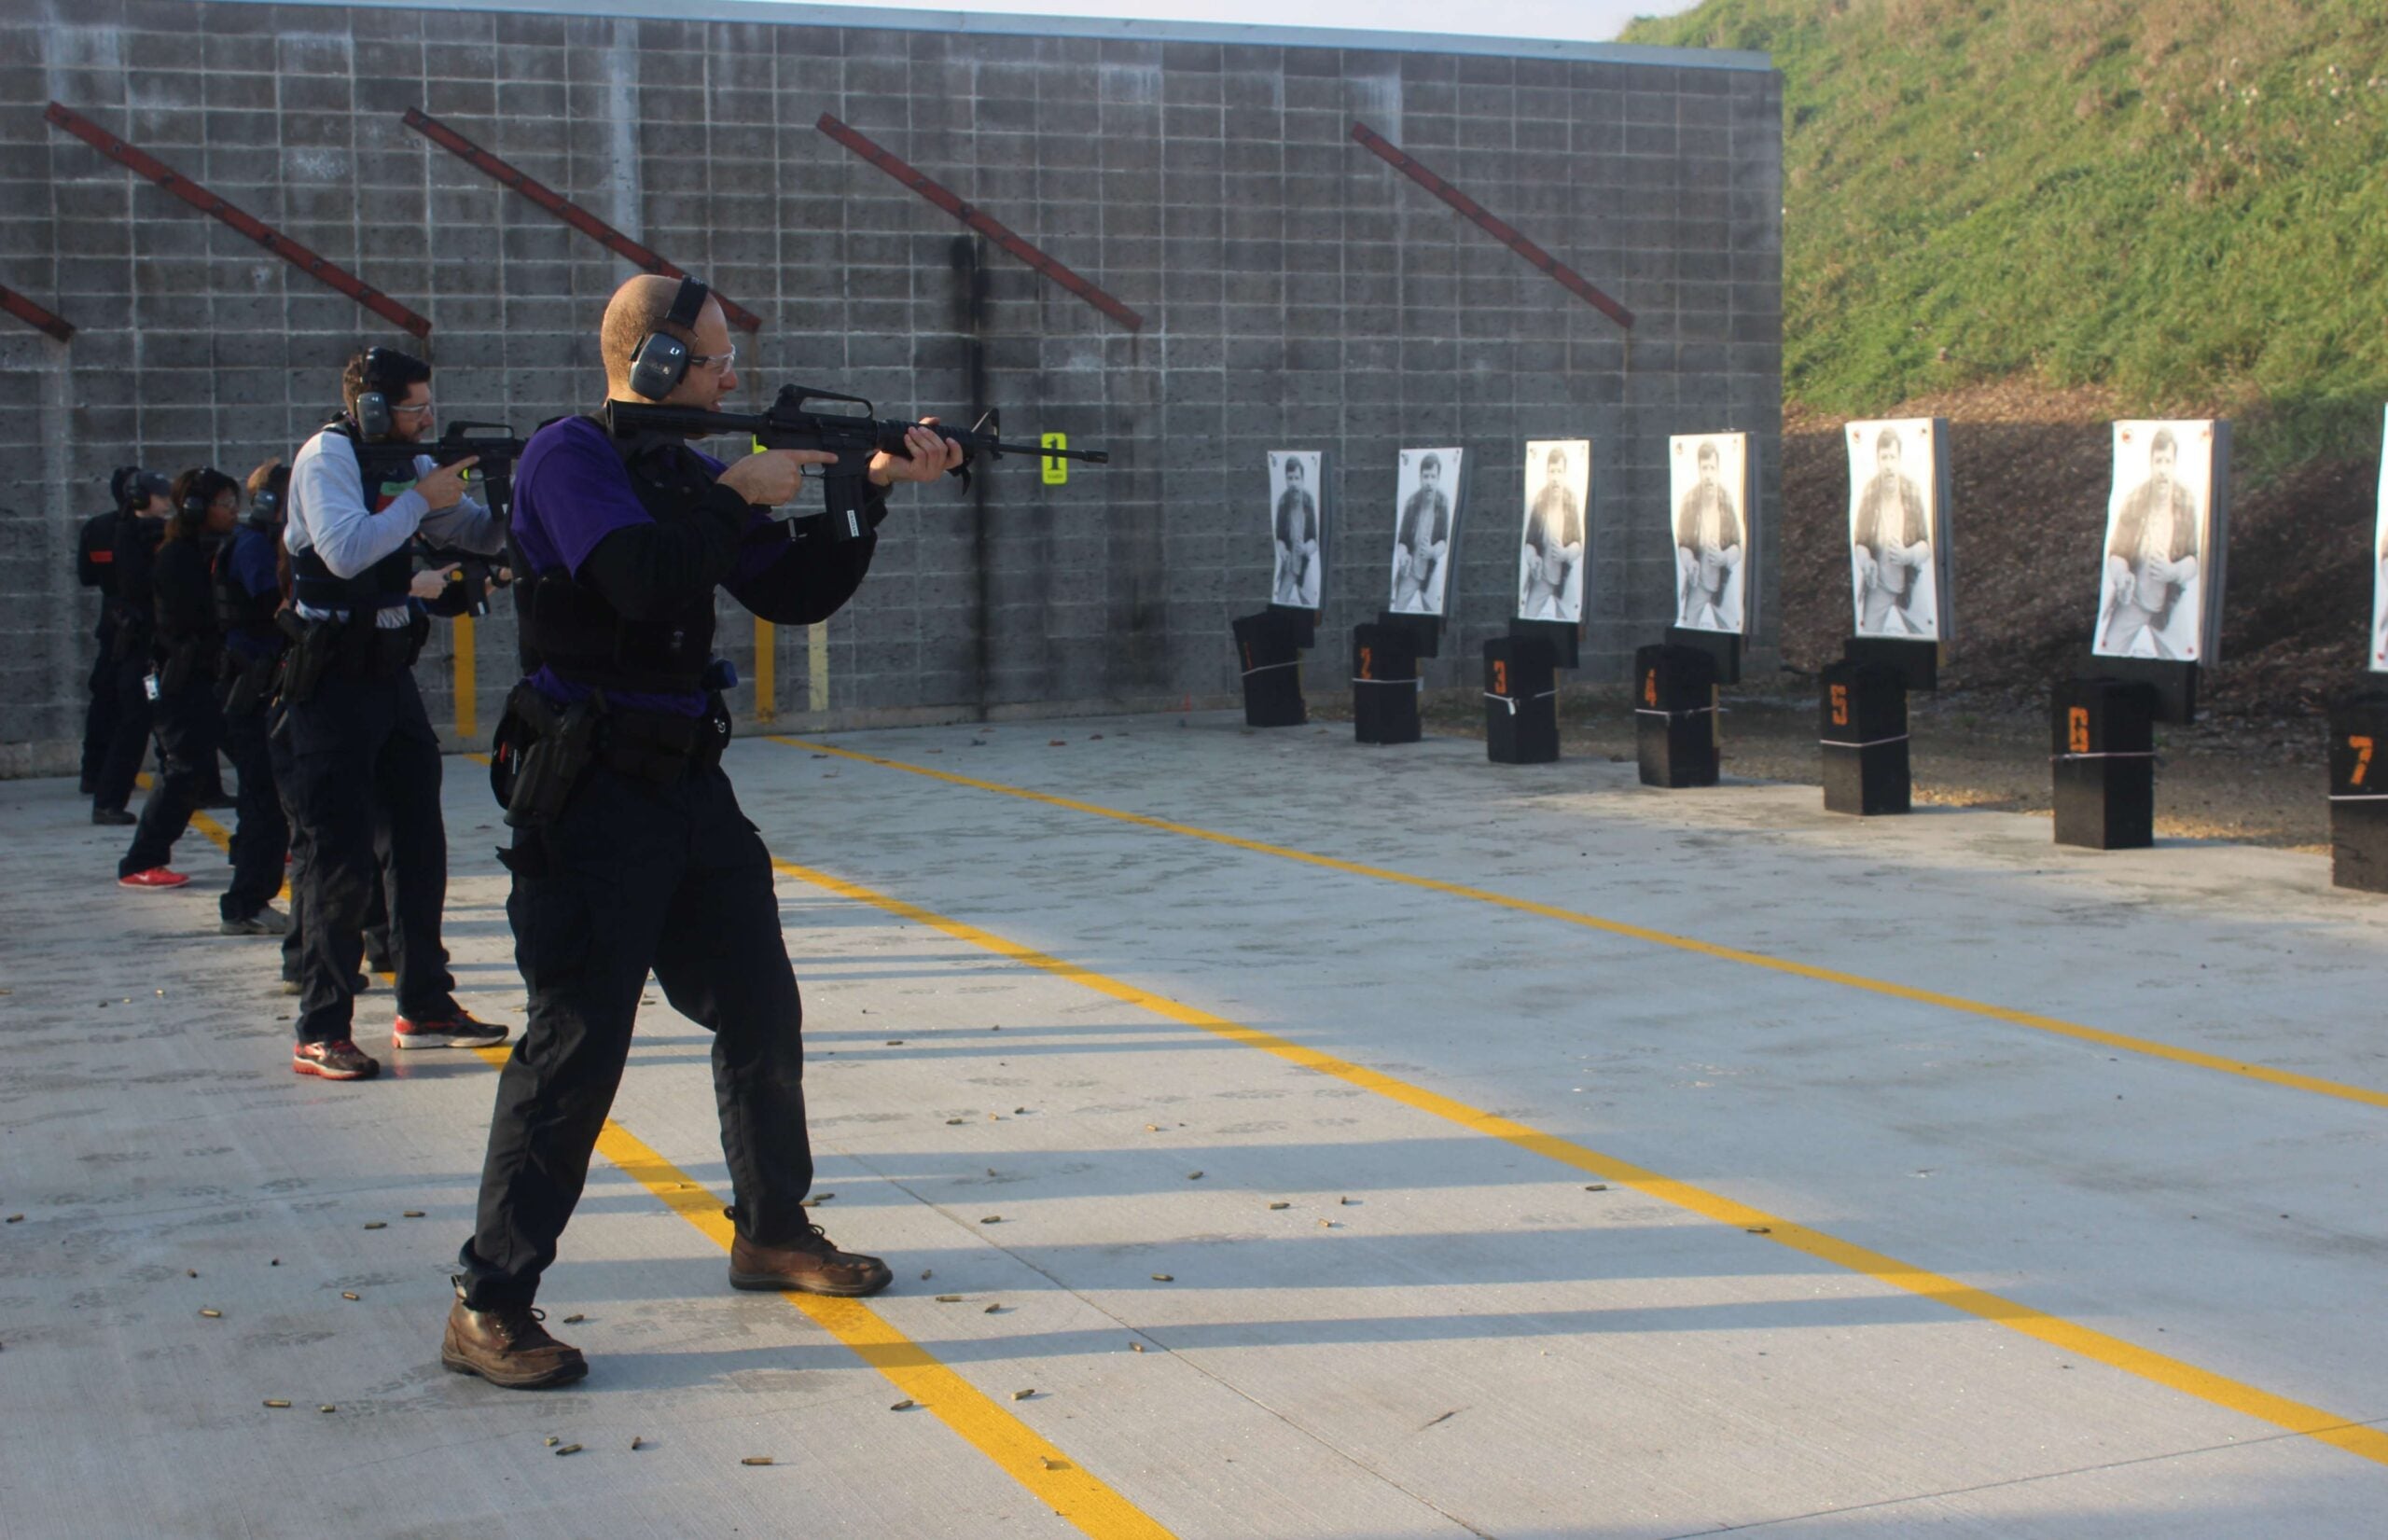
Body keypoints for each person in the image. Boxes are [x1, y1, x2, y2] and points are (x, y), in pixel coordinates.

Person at [442, 273, 962, 1389]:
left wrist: (867, 491)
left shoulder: (684, 470)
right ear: (658, 364)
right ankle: (489, 1300)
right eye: (718, 360)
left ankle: (772, 1228)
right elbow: (636, 578)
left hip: (688, 786)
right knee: (575, 1045)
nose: (735, 378)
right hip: (588, 795)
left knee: (760, 1004)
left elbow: (794, 594)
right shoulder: (567, 458)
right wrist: (734, 495)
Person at [280, 346, 509, 1081]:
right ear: (372, 408)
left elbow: (466, 529)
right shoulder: (329, 456)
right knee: (337, 858)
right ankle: (322, 1026)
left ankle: (425, 1003)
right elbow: (346, 551)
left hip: (388, 675)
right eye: (414, 409)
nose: (426, 419)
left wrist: (515, 509)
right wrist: (421, 498)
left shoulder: (403, 459)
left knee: (417, 844)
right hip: (331, 680)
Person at [117, 468, 239, 889]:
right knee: (182, 769)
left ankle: (259, 844)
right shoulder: (178, 556)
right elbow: (189, 623)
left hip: (207, 677)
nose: (232, 512)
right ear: (198, 507)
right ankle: (141, 860)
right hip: (183, 679)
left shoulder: (204, 550)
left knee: (258, 760)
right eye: (224, 504)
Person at [212, 462, 293, 936]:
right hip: (253, 685)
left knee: (264, 801)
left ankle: (247, 897)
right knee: (264, 801)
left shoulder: (257, 544)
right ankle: (245, 900)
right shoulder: (253, 547)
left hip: (260, 683)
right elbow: (273, 607)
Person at [88, 469, 172, 825]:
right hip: (139, 643)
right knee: (134, 721)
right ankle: (108, 800)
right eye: (158, 494)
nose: (166, 499)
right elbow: (140, 585)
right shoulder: (130, 534)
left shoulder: (154, 533)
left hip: (153, 642)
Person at [2098, 427, 2201, 659]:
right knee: (2108, 651)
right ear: (2151, 463)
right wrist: (2122, 576)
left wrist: (2173, 571)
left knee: (2182, 660)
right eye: (2158, 462)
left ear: (2175, 463)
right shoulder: (2135, 499)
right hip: (2133, 600)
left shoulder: (2186, 502)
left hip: (2169, 603)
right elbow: (2117, 552)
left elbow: (2194, 559)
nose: (2163, 470)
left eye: (2168, 461)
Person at [1851, 427, 1932, 637]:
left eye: (1892, 457)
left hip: (1909, 582)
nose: (1888, 465)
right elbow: (1860, 542)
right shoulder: (1870, 491)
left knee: (1927, 634)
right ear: (1877, 460)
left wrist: (1909, 555)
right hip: (1879, 584)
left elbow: (1925, 546)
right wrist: (1867, 562)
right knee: (1868, 635)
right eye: (1883, 458)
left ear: (1900, 459)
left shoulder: (1911, 490)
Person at [1673, 439, 1743, 631]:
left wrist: (1724, 557)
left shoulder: (1726, 499)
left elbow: (1738, 545)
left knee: (1731, 630)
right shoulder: (1689, 501)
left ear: (1718, 470)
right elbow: (1683, 544)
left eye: (1712, 468)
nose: (1708, 475)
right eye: (1704, 468)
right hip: (1699, 583)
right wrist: (1690, 563)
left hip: (1722, 582)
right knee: (1686, 630)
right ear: (1698, 470)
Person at [1518, 445, 1583, 621]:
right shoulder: (1539, 500)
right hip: (1542, 576)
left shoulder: (1571, 500)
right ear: (1547, 474)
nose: (1555, 478)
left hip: (1564, 577)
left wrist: (1566, 553)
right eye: (1552, 472)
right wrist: (1533, 560)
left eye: (1559, 472)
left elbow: (1578, 544)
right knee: (1528, 618)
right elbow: (1529, 542)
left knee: (1568, 623)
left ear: (1565, 474)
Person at [1392, 452, 1451, 613]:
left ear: (1438, 478)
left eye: (1433, 476)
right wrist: (1403, 556)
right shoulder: (1411, 503)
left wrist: (1433, 551)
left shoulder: (1443, 503)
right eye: (1426, 476)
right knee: (1396, 613)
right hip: (1409, 572)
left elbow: (1444, 541)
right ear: (1420, 477)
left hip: (1429, 573)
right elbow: (1402, 541)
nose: (1429, 482)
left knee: (1436, 618)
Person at [1271, 456, 1319, 607]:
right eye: (1290, 478)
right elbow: (1279, 538)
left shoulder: (1308, 501)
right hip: (1288, 565)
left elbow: (1314, 539)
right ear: (1286, 479)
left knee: (1312, 606)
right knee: (1280, 606)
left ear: (1303, 479)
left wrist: (1305, 549)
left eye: (1297, 478)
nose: (1293, 483)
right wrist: (1283, 550)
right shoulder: (1282, 502)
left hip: (1303, 563)